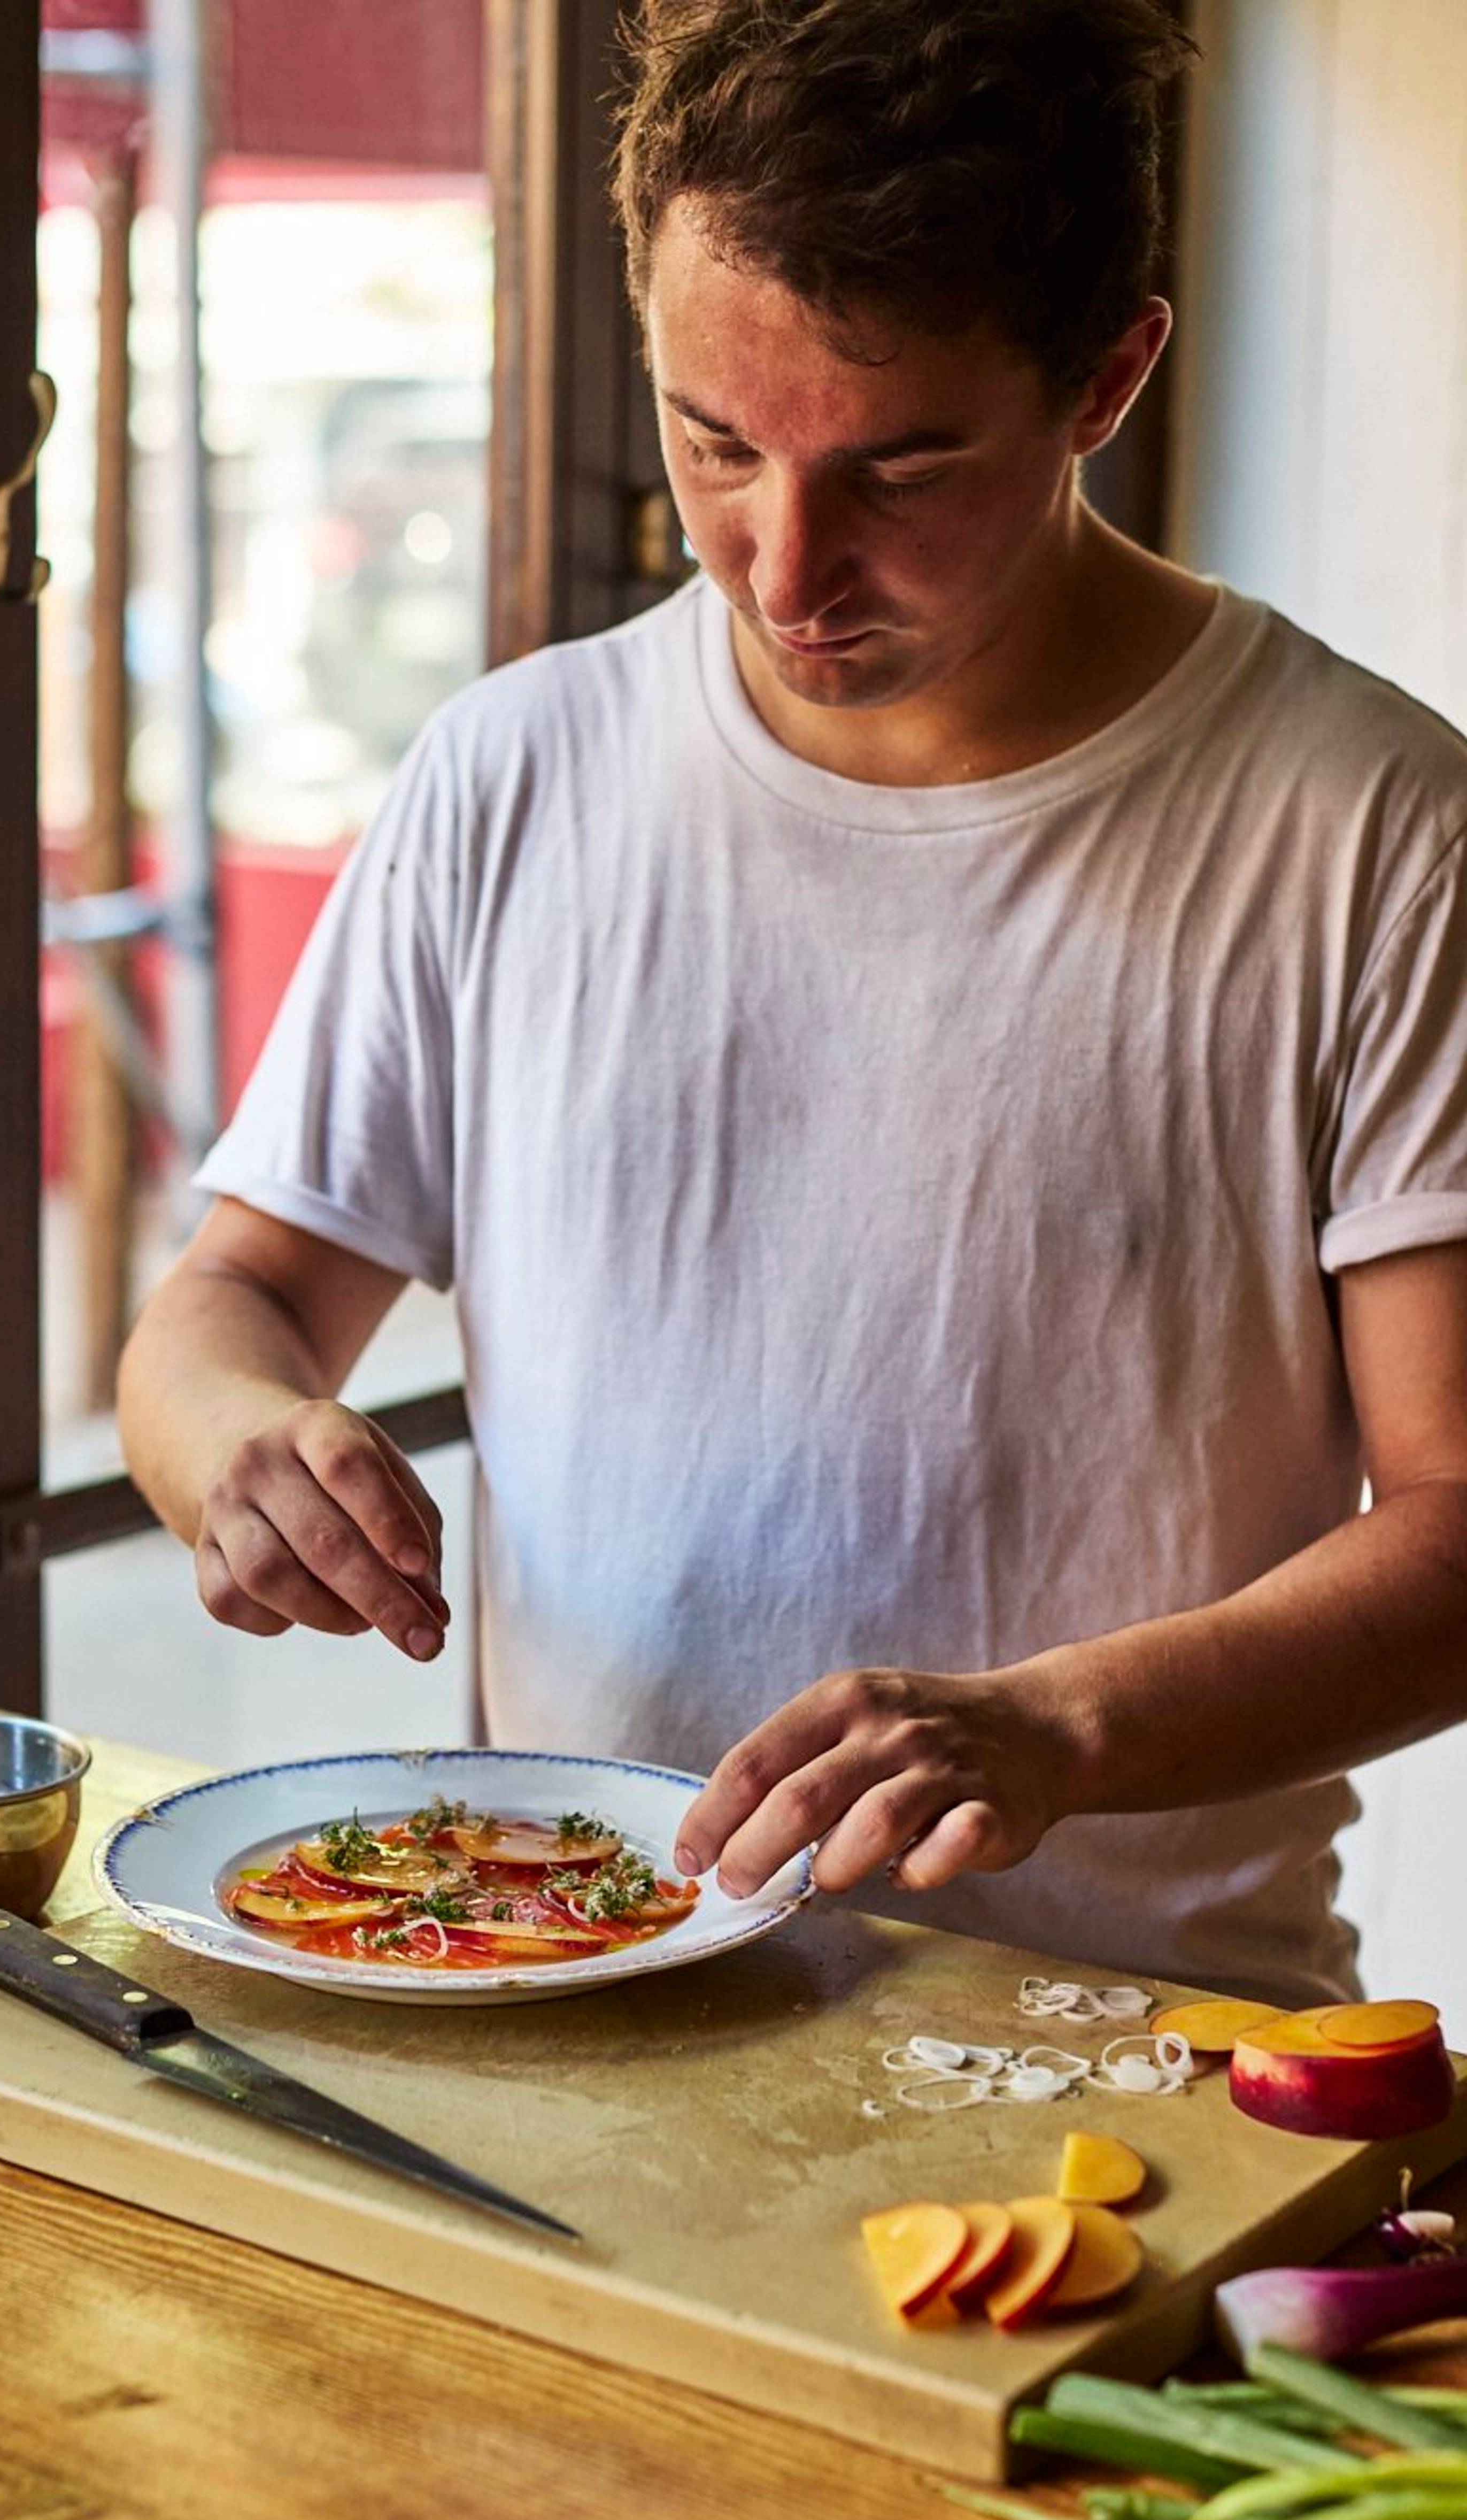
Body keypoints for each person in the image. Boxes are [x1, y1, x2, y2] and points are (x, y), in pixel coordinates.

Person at [118, 0, 1467, 2008]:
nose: (783, 563)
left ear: (1110, 376)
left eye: (901, 467)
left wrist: (1060, 1729)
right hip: (575, 1996)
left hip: (1128, 2056)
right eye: (712, 440)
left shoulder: (1372, 829)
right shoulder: (515, 775)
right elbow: (232, 1301)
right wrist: (235, 1447)